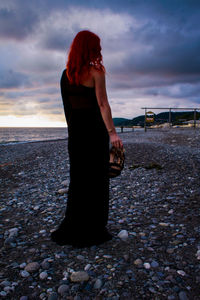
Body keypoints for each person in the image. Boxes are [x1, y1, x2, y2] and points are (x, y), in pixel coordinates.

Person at [51, 30, 123, 248]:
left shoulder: (65, 75)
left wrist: (74, 134)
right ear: (91, 48)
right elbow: (102, 105)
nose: (99, 50)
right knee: (97, 181)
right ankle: (94, 229)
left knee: (79, 181)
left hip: (76, 137)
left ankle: (74, 226)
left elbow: (68, 111)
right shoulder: (96, 72)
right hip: (95, 135)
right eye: (97, 46)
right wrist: (112, 133)